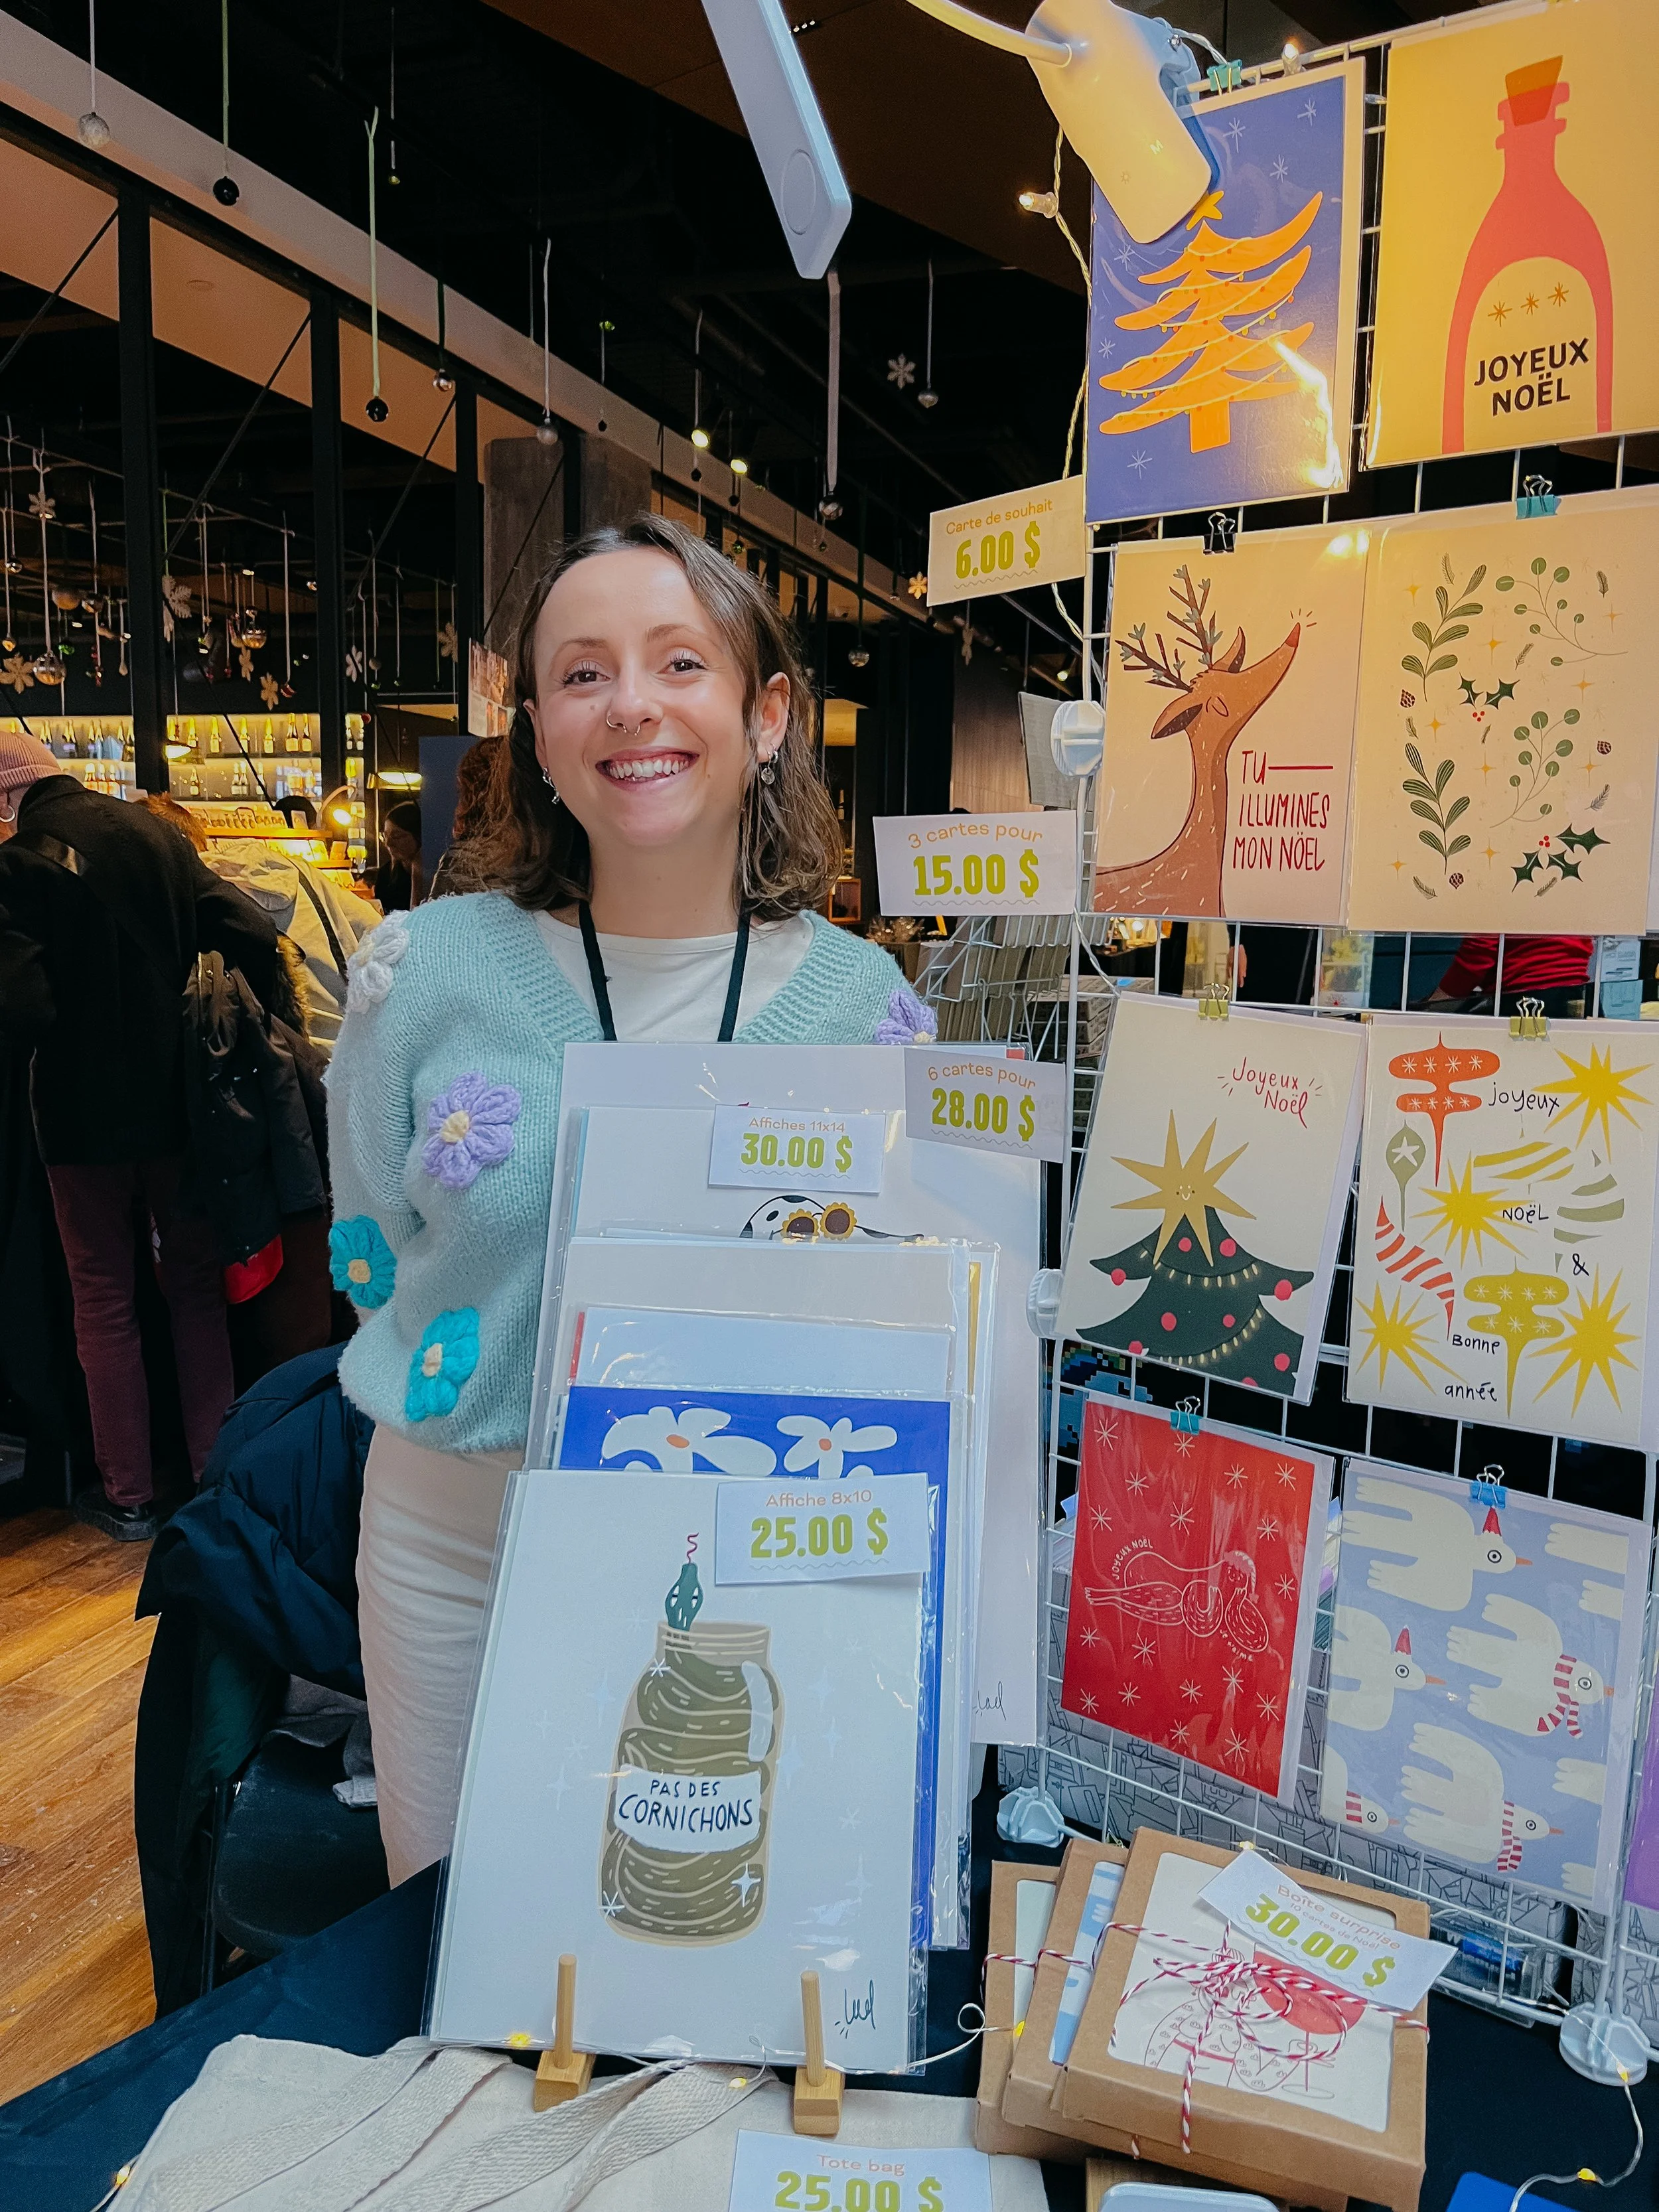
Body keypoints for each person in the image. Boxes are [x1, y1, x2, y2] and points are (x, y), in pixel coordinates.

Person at [326, 512, 934, 1883]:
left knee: (692, 1928)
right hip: (456, 1542)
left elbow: (887, 1313)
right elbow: (371, 1248)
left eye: (679, 661)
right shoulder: (420, 975)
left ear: (765, 712)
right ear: (535, 728)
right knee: (459, 1924)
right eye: (583, 672)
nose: (632, 705)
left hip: (745, 1555)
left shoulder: (865, 1017)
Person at [0, 737, 281, 1537]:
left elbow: (20, 1007)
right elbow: (252, 933)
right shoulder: (154, 833)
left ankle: (126, 1494)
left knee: (104, 1297)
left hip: (78, 1121)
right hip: (177, 1107)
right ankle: (211, 1471)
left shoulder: (17, 865)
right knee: (193, 1288)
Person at [374, 800, 424, 911]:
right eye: (386, 836)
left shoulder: (433, 875)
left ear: (418, 836)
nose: (388, 843)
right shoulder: (385, 875)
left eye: (397, 836)